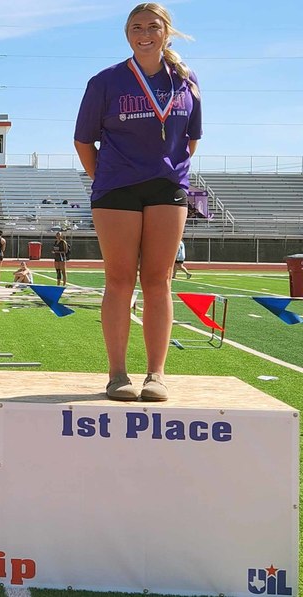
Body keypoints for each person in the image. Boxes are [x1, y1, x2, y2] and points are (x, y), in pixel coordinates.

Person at [74, 2, 201, 401]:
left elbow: (191, 139)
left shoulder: (186, 79)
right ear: (127, 35)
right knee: (119, 279)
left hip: (166, 188)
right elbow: (83, 140)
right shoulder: (106, 81)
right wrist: (108, 180)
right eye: (135, 28)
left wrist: (164, 170)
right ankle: (117, 374)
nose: (143, 33)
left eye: (151, 26)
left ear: (166, 32)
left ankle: (156, 374)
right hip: (116, 189)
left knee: (159, 279)